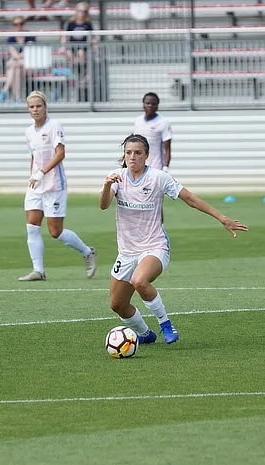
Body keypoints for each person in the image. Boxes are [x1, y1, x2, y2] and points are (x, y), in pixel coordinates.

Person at [100, 134, 247, 344]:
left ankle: (165, 324)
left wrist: (222, 218)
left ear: (147, 155)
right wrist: (106, 186)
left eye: (138, 153)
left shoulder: (158, 178)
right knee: (117, 304)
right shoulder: (116, 176)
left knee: (140, 281)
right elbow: (104, 205)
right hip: (127, 251)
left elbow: (190, 198)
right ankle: (144, 334)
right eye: (128, 153)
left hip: (154, 246)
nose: (132, 157)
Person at [19, 91, 96, 281]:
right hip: (36, 184)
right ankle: (39, 271)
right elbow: (33, 156)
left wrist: (42, 172)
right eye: (31, 107)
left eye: (38, 106)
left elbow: (60, 153)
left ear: (45, 107)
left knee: (55, 232)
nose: (35, 110)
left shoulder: (54, 126)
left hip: (54, 184)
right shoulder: (29, 131)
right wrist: (33, 175)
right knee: (32, 226)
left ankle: (87, 251)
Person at [0, 16, 35, 104]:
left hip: (29, 66)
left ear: (23, 24)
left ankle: (5, 90)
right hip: (19, 65)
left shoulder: (30, 36)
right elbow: (16, 54)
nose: (18, 26)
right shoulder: (11, 38)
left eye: (20, 24)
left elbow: (27, 53)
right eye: (16, 24)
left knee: (12, 64)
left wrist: (18, 56)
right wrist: (19, 56)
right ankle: (17, 98)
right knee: (16, 70)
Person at [133, 92, 172, 172]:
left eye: (153, 104)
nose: (150, 106)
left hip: (156, 167)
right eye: (148, 103)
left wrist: (165, 168)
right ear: (143, 105)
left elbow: (167, 149)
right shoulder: (138, 121)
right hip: (139, 167)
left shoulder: (163, 122)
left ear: (157, 106)